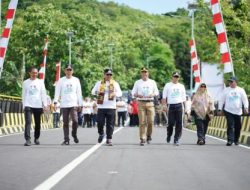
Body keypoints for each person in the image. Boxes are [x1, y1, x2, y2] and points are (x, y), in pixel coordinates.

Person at [91, 68, 122, 146]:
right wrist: (97, 92)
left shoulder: (115, 83)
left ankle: (109, 138)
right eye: (107, 74)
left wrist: (115, 94)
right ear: (104, 75)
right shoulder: (99, 83)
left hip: (111, 106)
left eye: (110, 75)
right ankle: (101, 133)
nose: (109, 76)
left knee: (110, 124)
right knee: (100, 123)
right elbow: (92, 92)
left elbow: (120, 93)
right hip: (101, 106)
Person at [54, 64, 83, 145]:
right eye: (67, 69)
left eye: (70, 70)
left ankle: (74, 134)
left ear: (72, 71)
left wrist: (80, 104)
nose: (69, 71)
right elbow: (57, 92)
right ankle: (66, 139)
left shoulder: (76, 80)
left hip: (73, 103)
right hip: (64, 104)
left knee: (75, 121)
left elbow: (79, 93)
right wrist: (55, 102)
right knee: (65, 122)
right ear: (65, 71)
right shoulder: (61, 80)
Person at [132, 67, 159, 146]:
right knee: (142, 122)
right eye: (143, 72)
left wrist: (152, 94)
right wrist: (137, 94)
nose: (144, 74)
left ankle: (149, 135)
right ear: (141, 73)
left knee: (151, 121)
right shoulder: (137, 82)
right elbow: (133, 92)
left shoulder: (152, 82)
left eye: (146, 72)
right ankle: (142, 138)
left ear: (148, 73)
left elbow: (156, 91)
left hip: (150, 103)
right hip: (141, 103)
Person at [218, 76, 249, 146]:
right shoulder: (226, 90)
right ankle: (230, 140)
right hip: (228, 111)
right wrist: (220, 109)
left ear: (236, 82)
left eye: (232, 81)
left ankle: (236, 140)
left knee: (238, 126)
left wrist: (246, 108)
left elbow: (245, 100)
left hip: (238, 111)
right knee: (230, 125)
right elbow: (221, 100)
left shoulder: (241, 90)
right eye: (229, 82)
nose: (230, 83)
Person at [22, 67, 48, 146]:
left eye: (36, 73)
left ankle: (36, 138)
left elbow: (43, 94)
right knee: (28, 122)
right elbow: (23, 94)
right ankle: (28, 139)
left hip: (38, 105)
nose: (34, 74)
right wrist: (23, 105)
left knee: (37, 123)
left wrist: (45, 105)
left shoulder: (40, 82)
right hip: (28, 105)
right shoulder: (25, 82)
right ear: (29, 73)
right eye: (33, 73)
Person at [162, 71, 186, 146]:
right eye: (174, 76)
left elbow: (184, 98)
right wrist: (164, 105)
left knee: (179, 123)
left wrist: (185, 108)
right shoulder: (168, 85)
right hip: (171, 106)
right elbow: (164, 97)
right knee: (170, 123)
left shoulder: (181, 86)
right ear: (172, 77)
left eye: (177, 77)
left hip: (179, 105)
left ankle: (176, 139)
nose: (175, 78)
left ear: (179, 78)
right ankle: (169, 135)